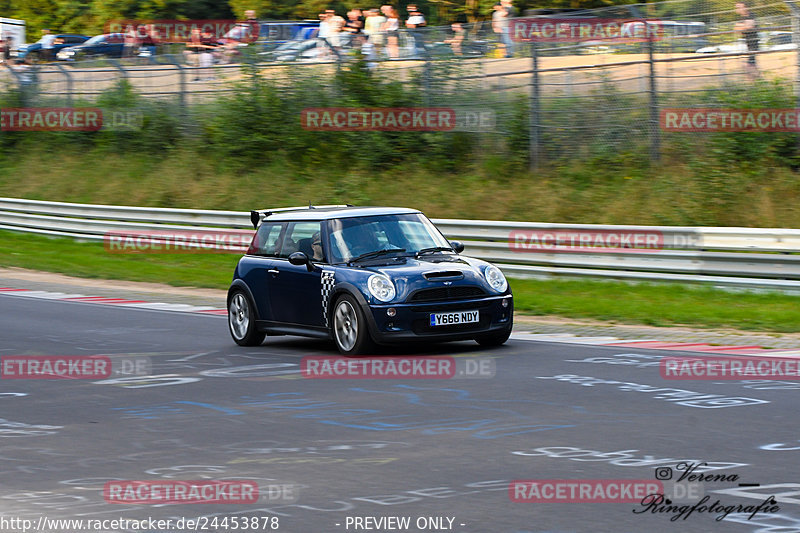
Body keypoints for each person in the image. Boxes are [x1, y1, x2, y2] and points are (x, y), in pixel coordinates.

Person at [735, 1, 759, 79]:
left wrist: (742, 26)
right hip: (747, 43)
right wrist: (743, 26)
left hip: (753, 43)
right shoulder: (742, 18)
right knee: (751, 63)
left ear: (745, 7)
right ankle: (757, 80)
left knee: (750, 64)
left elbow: (749, 26)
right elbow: (736, 29)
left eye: (739, 7)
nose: (737, 9)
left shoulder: (751, 15)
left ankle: (754, 80)